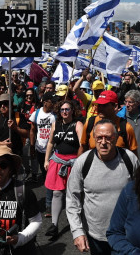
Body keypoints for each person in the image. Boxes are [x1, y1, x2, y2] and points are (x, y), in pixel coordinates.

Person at [66, 118, 139, 255]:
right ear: (93, 138)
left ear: (116, 138)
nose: (103, 142)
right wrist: (77, 231)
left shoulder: (130, 159)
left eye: (108, 137)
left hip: (126, 234)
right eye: (99, 138)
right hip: (96, 236)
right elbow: (72, 199)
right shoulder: (83, 162)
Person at [0, 146, 41, 255]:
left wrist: (19, 239)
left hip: (19, 250)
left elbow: (36, 221)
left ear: (10, 168)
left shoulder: (22, 191)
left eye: (3, 165)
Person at [43, 99, 83, 240]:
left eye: (67, 109)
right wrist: (46, 159)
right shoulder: (55, 124)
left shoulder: (78, 124)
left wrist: (79, 163)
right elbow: (50, 143)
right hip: (58, 161)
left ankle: (78, 226)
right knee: (57, 193)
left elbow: (81, 145)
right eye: (62, 110)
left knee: (74, 195)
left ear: (72, 111)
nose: (64, 112)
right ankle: (54, 225)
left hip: (74, 163)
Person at [28, 93, 56, 181]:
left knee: (51, 172)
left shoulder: (55, 115)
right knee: (44, 169)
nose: (53, 104)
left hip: (53, 150)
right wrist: (32, 146)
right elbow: (32, 131)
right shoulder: (36, 114)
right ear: (45, 102)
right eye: (51, 102)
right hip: (40, 148)